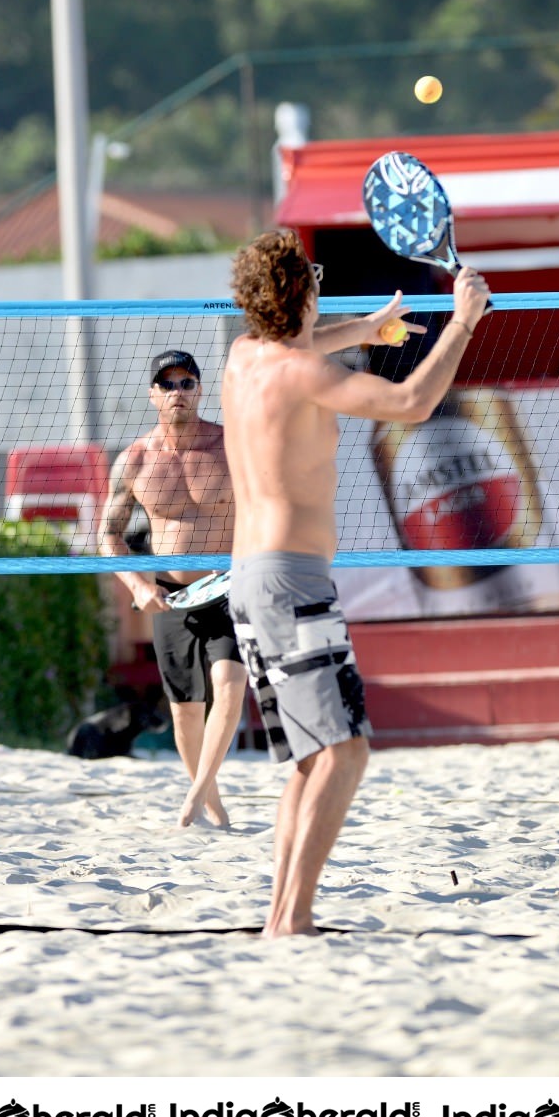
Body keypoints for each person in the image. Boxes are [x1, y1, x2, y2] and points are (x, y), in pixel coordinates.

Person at [221, 230, 489, 935]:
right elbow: (409, 402)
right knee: (345, 751)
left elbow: (299, 345)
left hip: (248, 577)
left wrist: (363, 328)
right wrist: (462, 320)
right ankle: (293, 917)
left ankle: (284, 914)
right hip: (290, 581)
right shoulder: (302, 374)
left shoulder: (242, 358)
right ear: (302, 294)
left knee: (312, 760)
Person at [101, 350, 244, 828]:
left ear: (200, 390)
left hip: (228, 587)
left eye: (187, 383)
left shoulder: (233, 446)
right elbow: (109, 536)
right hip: (170, 595)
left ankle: (196, 796)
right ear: (153, 394)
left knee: (229, 683)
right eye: (168, 384)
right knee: (186, 709)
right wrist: (138, 586)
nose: (178, 392)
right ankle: (212, 805)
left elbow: (271, 503)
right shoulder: (135, 459)